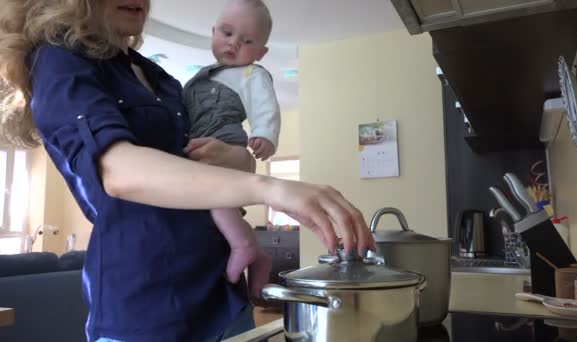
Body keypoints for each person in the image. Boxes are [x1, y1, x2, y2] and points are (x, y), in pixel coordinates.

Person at [0, 0, 375, 341]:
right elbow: (117, 170)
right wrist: (270, 188)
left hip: (223, 293)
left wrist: (240, 159)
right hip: (148, 305)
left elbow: (196, 161)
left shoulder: (156, 76)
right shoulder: (58, 60)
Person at [182, 0, 279, 298]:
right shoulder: (201, 76)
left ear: (260, 52)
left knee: (212, 194)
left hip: (225, 140)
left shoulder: (253, 74)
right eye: (227, 33)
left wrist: (265, 135)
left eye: (247, 41)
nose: (234, 43)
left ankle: (243, 245)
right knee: (220, 204)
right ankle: (258, 255)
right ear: (213, 32)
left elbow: (266, 106)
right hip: (199, 142)